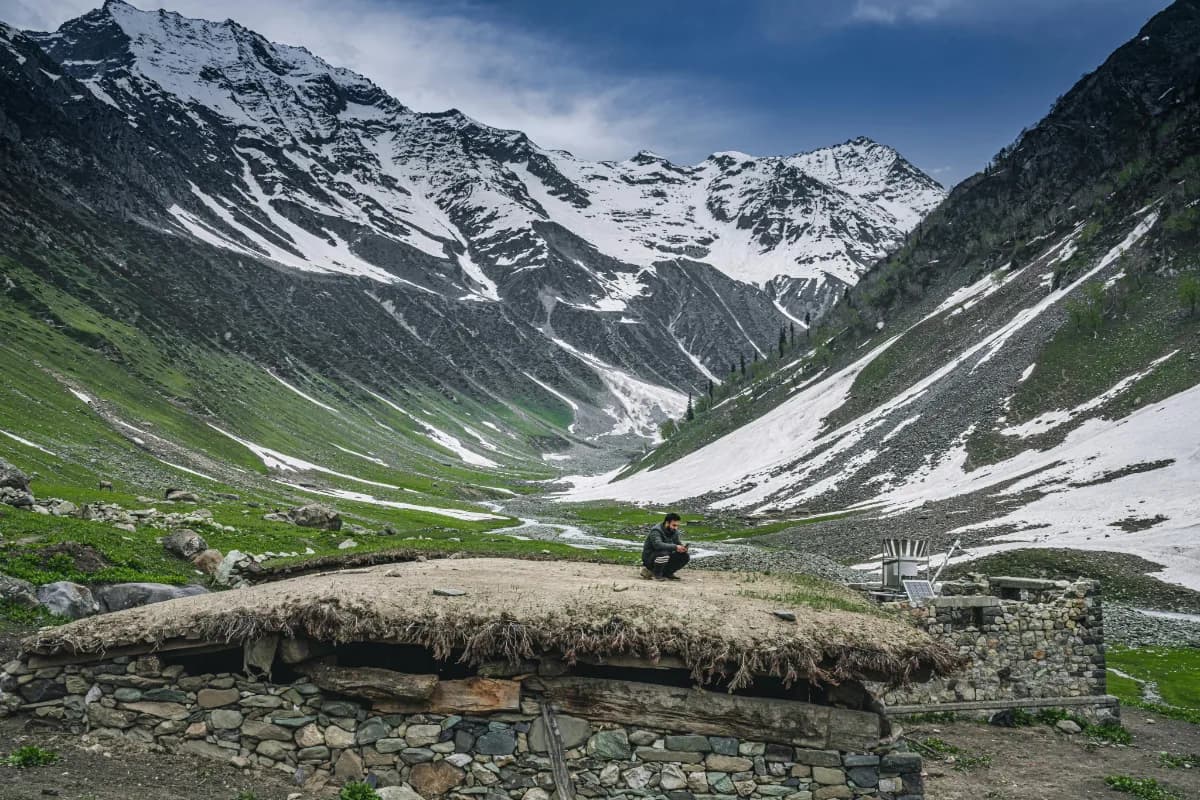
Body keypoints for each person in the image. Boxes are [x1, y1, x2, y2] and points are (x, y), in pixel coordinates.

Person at [641, 512, 689, 581]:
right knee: (663, 553)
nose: (676, 528)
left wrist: (682, 548)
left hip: (664, 556)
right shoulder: (656, 531)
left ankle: (668, 573)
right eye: (674, 525)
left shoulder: (674, 531)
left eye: (677, 525)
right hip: (650, 558)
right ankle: (656, 574)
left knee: (684, 556)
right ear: (667, 523)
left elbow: (677, 543)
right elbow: (658, 545)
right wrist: (675, 547)